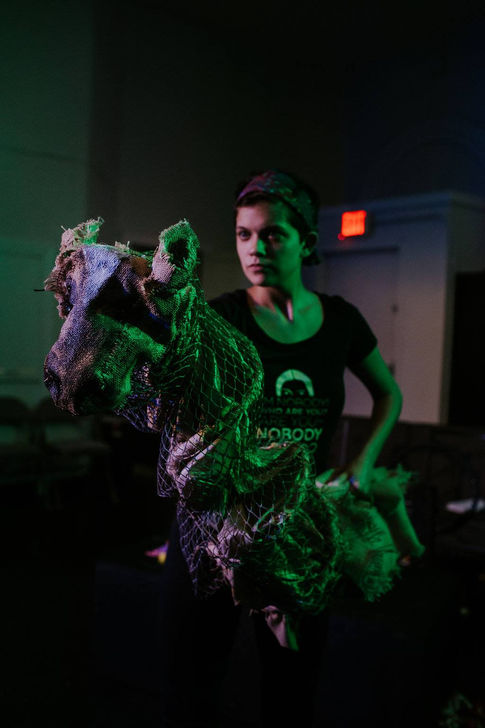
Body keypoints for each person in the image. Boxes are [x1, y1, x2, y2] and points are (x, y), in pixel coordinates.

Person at [158, 169, 423, 727]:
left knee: (292, 682)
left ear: (306, 241)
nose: (255, 248)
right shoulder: (221, 319)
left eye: (272, 234)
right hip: (216, 524)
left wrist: (361, 464)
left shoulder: (342, 321)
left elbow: (389, 395)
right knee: (193, 677)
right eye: (243, 234)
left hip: (299, 521)